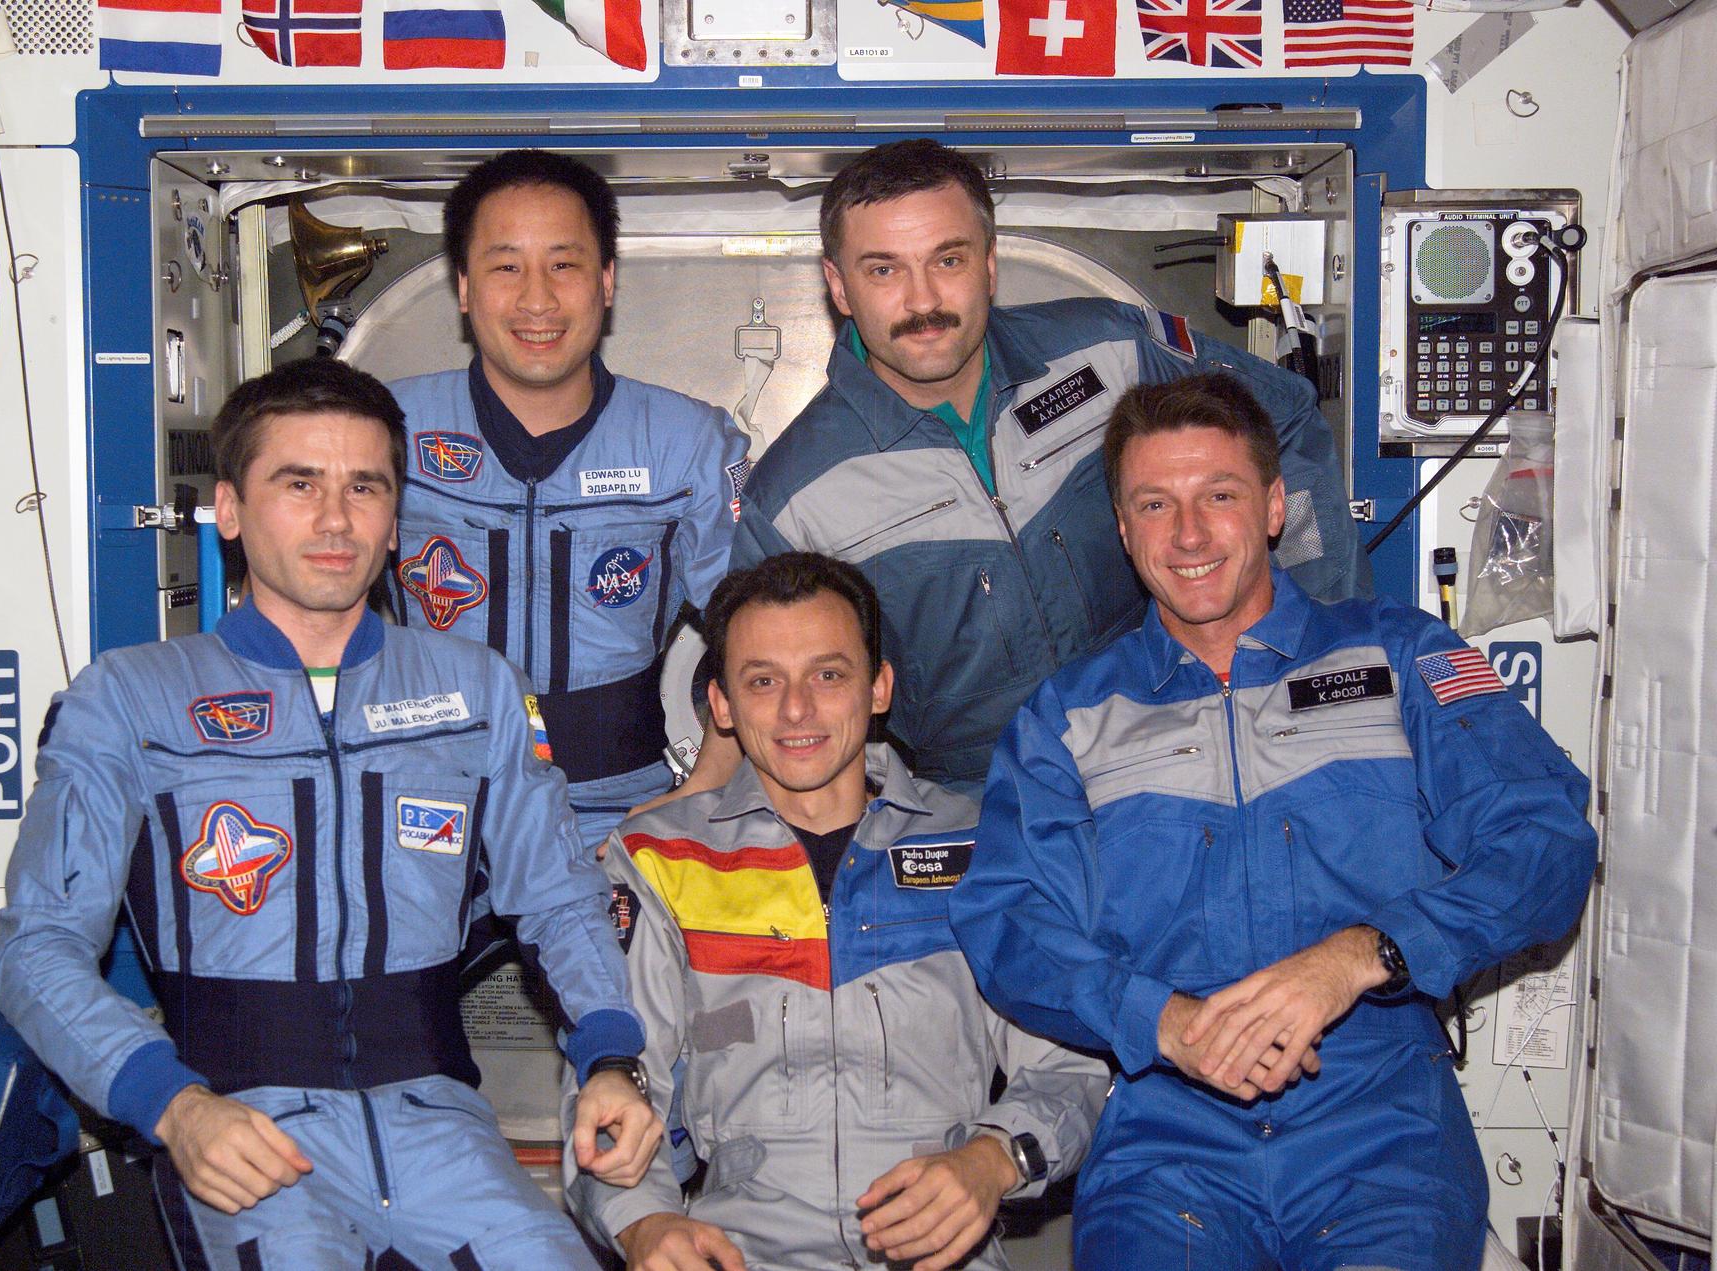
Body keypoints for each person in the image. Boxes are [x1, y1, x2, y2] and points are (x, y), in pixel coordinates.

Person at [0, 358, 661, 1269]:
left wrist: (612, 1055)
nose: (337, 519)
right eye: (299, 484)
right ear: (230, 510)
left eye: (365, 487)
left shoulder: (478, 691)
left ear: (396, 516)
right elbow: (35, 947)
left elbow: (557, 895)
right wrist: (173, 1105)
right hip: (243, 1131)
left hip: (441, 1128)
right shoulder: (130, 700)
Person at [951, 373, 1597, 1270]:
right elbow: (1009, 919)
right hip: (1168, 1140)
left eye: (1219, 495)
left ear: (1275, 507)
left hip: (1382, 1131)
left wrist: (1361, 954)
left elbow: (1545, 838)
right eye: (1155, 504)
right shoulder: (1066, 719)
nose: (1188, 534)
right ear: (1125, 529)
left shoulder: (1398, 655)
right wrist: (1162, 1021)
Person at [732, 138, 1371, 793]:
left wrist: (1313, 646)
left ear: (989, 265)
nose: (923, 301)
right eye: (883, 270)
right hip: (983, 802)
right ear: (839, 285)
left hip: (1190, 754)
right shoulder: (792, 503)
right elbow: (771, 702)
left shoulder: (1111, 353)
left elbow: (1282, 418)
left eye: (948, 259)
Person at [568, 552, 1110, 1271]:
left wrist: (993, 1158)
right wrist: (644, 1224)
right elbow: (611, 1085)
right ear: (721, 705)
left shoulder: (981, 846)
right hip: (736, 1255)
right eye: (763, 680)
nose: (797, 710)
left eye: (828, 675)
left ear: (879, 687)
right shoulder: (660, 861)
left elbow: (1072, 1066)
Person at [387, 149, 749, 843]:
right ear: (463, 287)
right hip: (425, 808)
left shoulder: (688, 445)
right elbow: (299, 603)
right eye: (506, 267)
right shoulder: (383, 430)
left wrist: (700, 791)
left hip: (620, 814)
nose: (537, 300)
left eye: (563, 264)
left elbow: (768, 635)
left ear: (606, 281)